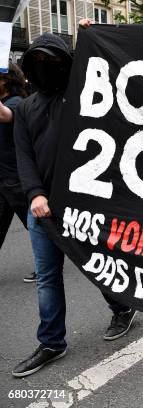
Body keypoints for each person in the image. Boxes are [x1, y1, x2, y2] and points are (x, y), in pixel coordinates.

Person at [11, 33, 137, 378]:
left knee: (96, 264)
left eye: (52, 62)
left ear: (68, 64)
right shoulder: (25, 109)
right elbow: (24, 156)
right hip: (41, 210)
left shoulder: (86, 97)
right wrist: (35, 194)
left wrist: (94, 39)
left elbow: (117, 77)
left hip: (84, 204)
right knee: (47, 278)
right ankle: (52, 341)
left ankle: (121, 306)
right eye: (38, 63)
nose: (45, 68)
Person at [0, 62, 35, 283]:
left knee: (38, 227)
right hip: (2, 178)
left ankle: (52, 262)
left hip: (16, 178)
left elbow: (4, 116)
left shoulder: (16, 103)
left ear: (7, 80)